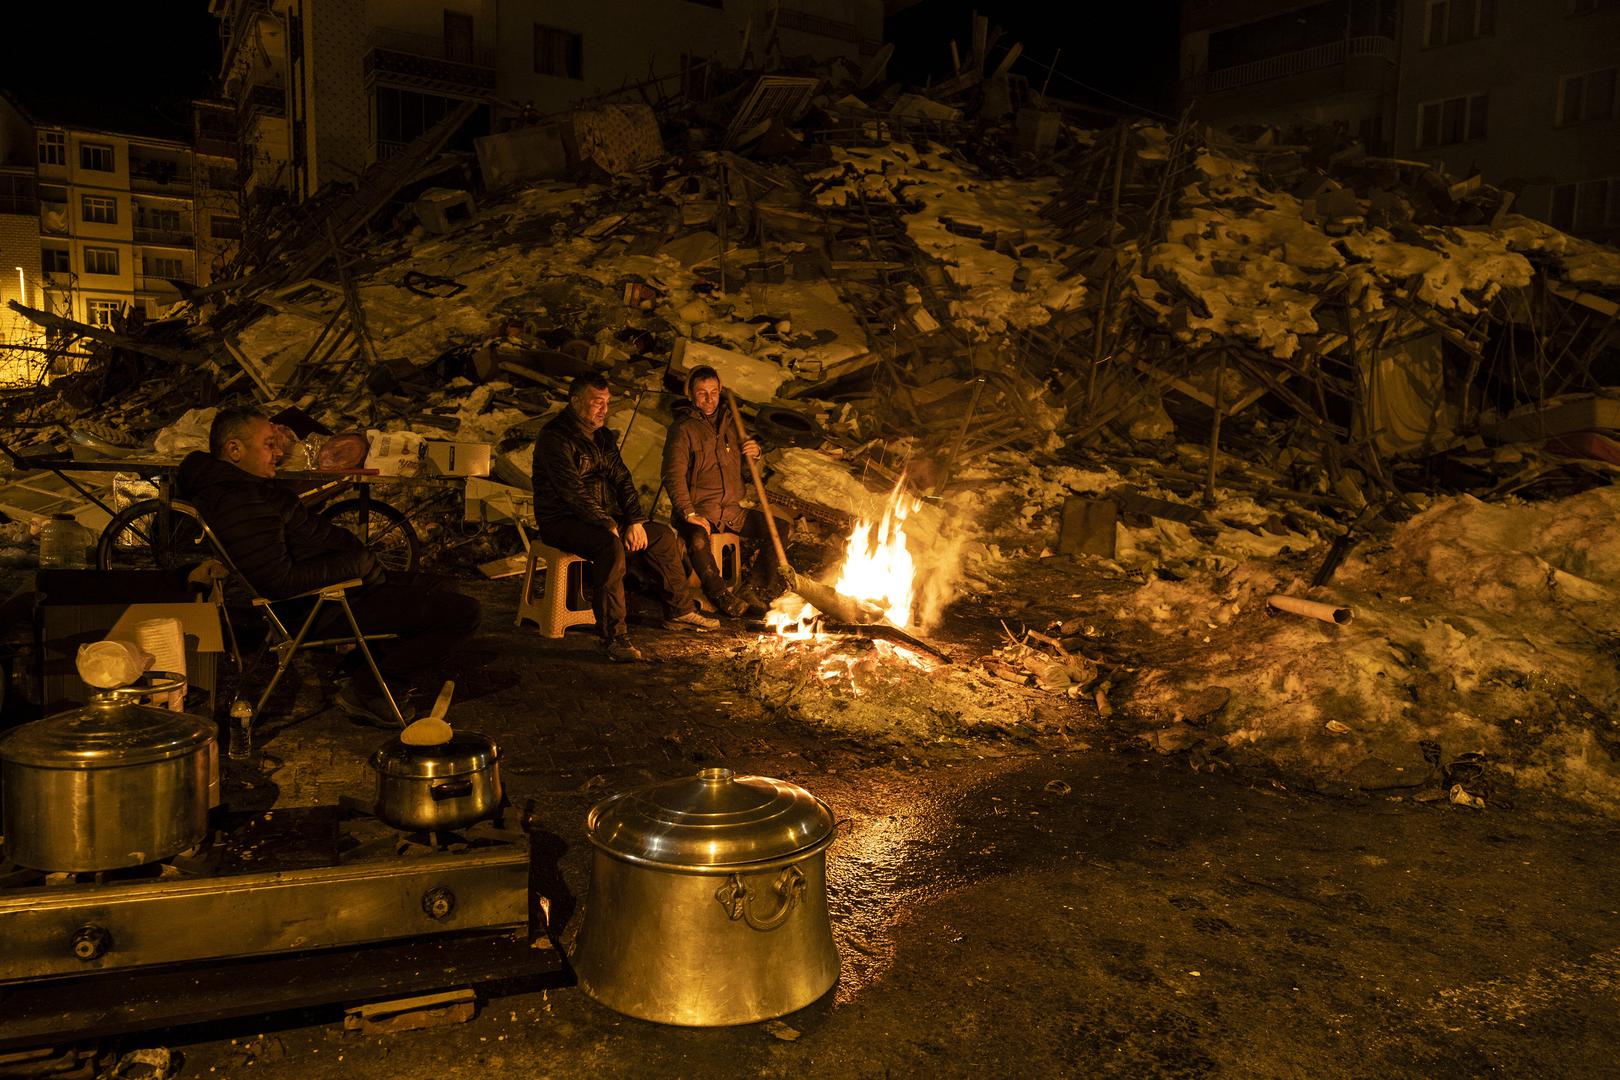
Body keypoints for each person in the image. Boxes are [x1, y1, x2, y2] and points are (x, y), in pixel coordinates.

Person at [177, 408, 481, 725]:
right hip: (318, 606)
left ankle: (356, 670)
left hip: (333, 590)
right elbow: (277, 580)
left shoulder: (244, 490)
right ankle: (371, 689)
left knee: (434, 587)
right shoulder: (240, 501)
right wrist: (357, 565)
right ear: (235, 450)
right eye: (269, 444)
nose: (279, 453)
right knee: (464, 613)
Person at [533, 373, 716, 662]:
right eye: (597, 403)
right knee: (610, 546)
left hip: (605, 517)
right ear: (576, 401)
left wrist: (635, 521)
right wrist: (608, 525)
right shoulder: (555, 438)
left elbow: (622, 479)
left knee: (663, 536)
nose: (604, 409)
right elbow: (573, 492)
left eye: (607, 402)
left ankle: (679, 610)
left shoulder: (603, 437)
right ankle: (613, 636)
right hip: (562, 520)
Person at [661, 365, 790, 618]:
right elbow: (672, 476)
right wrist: (687, 513)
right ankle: (720, 594)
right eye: (702, 393)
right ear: (690, 395)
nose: (709, 399)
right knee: (697, 539)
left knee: (778, 528)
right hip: (699, 510)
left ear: (720, 391)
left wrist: (756, 454)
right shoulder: (683, 429)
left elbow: (746, 471)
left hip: (730, 511)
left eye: (713, 392)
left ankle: (752, 589)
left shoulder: (731, 425)